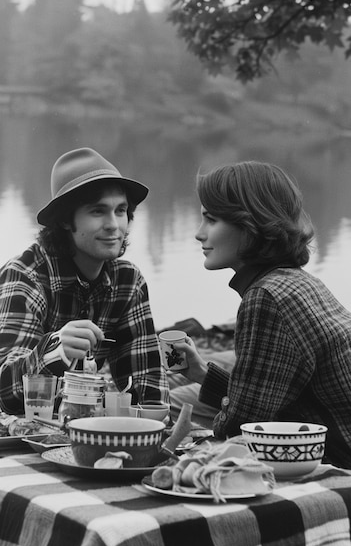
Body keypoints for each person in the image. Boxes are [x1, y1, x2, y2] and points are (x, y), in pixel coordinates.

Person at [173, 160, 351, 468]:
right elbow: (263, 399)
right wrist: (203, 374)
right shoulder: (296, 281)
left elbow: (241, 428)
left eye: (211, 220)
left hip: (338, 466)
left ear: (250, 225)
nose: (199, 234)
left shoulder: (265, 298)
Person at [0, 147, 169, 415]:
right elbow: (6, 394)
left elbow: (147, 387)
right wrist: (55, 351)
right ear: (66, 221)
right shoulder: (26, 275)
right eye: (97, 212)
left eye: (121, 210)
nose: (114, 224)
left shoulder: (128, 281)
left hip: (76, 425)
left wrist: (149, 430)